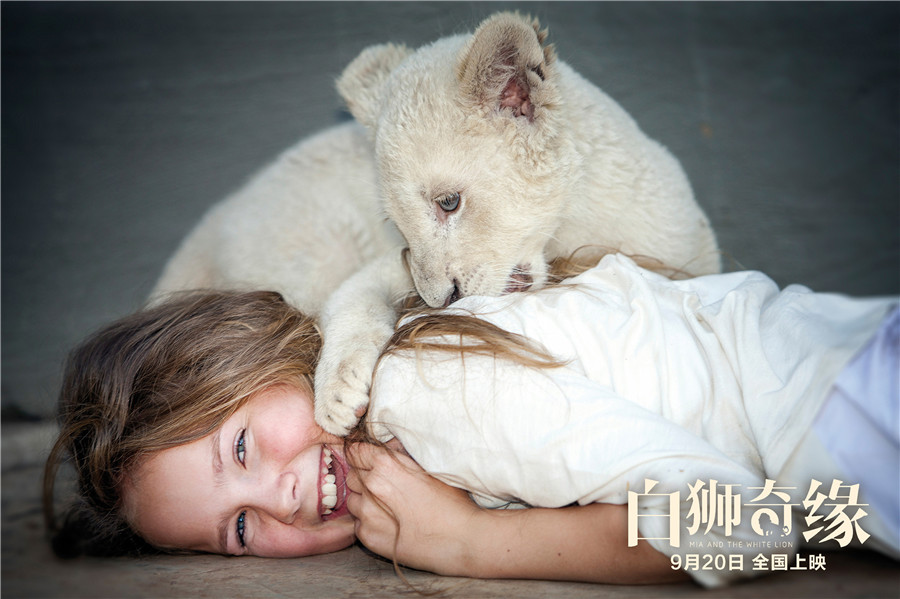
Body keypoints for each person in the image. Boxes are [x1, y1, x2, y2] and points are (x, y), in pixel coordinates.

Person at [43, 254, 898, 587]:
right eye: (237, 528)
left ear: (257, 353)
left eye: (241, 445)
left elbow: (750, 524)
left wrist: (469, 545)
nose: (284, 495)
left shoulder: (422, 392)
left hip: (851, 402)